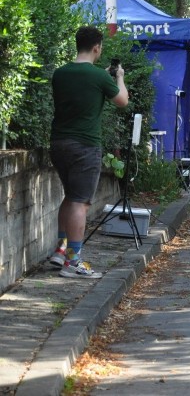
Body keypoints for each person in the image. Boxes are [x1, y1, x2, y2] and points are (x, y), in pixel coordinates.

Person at [48, 26, 129, 278]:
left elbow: (82, 89)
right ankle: (73, 261)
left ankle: (60, 250)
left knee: (70, 197)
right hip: (85, 146)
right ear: (97, 47)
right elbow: (122, 101)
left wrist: (102, 77)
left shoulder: (60, 74)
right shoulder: (99, 77)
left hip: (59, 143)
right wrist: (119, 78)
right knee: (80, 203)